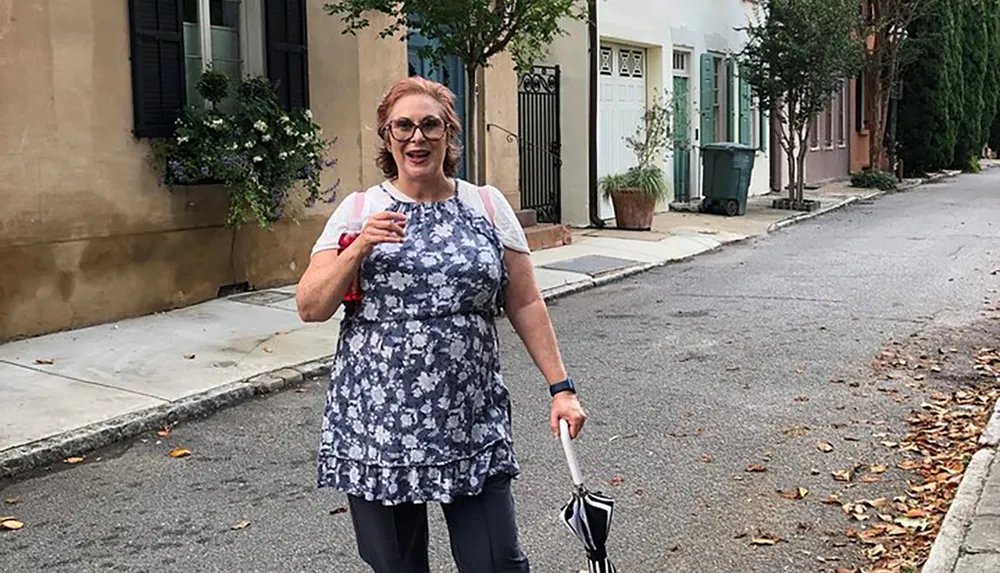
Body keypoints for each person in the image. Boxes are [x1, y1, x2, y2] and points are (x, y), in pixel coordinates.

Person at [296, 76, 586, 573]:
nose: (417, 137)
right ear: (387, 137)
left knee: (495, 562)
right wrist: (360, 245)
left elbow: (525, 303)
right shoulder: (359, 210)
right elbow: (311, 305)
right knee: (398, 567)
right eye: (403, 126)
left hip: (469, 422)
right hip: (378, 428)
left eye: (430, 125)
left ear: (450, 133)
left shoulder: (487, 205)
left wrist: (561, 388)